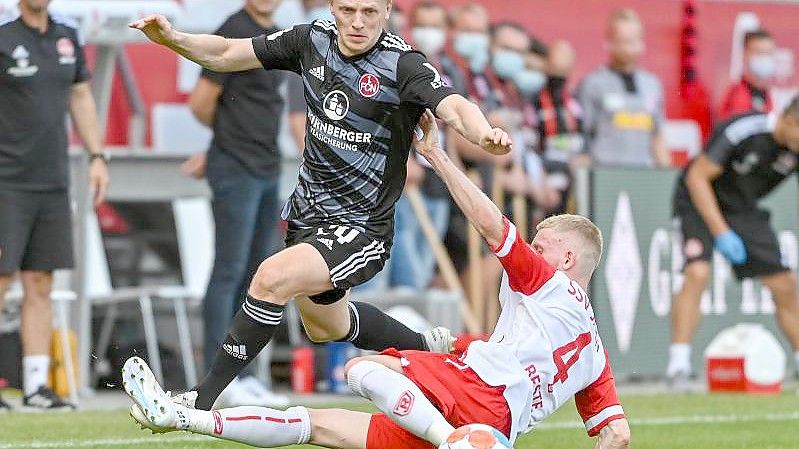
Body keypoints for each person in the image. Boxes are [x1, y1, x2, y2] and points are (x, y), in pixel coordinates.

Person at [122, 109, 630, 449]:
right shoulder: (595, 354)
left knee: (362, 372)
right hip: (495, 418)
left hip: (479, 395)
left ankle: (455, 440)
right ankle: (181, 418)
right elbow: (617, 433)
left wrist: (436, 156)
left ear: (567, 260)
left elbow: (493, 226)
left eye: (543, 246)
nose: (533, 251)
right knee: (318, 426)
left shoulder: (549, 283)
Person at [129, 0, 512, 411]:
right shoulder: (311, 40)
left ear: (387, 11)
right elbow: (226, 53)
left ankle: (197, 400)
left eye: (369, 11)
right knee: (327, 326)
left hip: (362, 227)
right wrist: (172, 39)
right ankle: (431, 347)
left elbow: (454, 105)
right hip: (308, 217)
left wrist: (483, 132)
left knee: (271, 277)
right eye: (348, 10)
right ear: (333, 8)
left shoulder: (402, 64)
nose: (358, 22)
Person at [0, 0, 109, 410]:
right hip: (6, 181)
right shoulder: (4, 36)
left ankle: (35, 385)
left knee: (41, 283)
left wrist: (98, 156)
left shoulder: (67, 36)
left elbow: (80, 96)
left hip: (52, 181)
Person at [180, 0, 289, 408]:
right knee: (227, 269)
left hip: (268, 166)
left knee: (259, 274)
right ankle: (213, 378)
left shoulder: (276, 32)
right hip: (236, 166)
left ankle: (243, 374)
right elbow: (200, 102)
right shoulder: (232, 28)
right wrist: (227, 139)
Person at [667, 95, 799, 390]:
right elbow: (698, 178)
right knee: (697, 273)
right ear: (789, 121)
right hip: (697, 200)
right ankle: (679, 365)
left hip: (742, 208)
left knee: (785, 282)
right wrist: (721, 232)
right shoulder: (744, 130)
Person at [389, 0, 466, 291]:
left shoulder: (451, 71)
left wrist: (454, 169)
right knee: (406, 272)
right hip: (408, 183)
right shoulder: (402, 62)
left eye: (435, 26)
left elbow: (453, 127)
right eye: (422, 24)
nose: (428, 32)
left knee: (425, 269)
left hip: (437, 181)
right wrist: (402, 159)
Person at [578, 8, 669, 168]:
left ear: (641, 42)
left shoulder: (652, 85)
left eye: (632, 41)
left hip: (643, 174)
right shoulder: (593, 84)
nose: (627, 48)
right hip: (605, 174)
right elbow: (582, 137)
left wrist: (667, 179)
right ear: (610, 42)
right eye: (622, 41)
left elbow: (657, 137)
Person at [531, 40, 585, 215]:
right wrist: (540, 177)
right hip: (545, 178)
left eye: (564, 69)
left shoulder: (575, 101)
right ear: (547, 64)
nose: (558, 75)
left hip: (574, 178)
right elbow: (530, 146)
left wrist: (584, 158)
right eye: (555, 67)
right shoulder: (534, 100)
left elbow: (585, 140)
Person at [718, 29, 776, 121]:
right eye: (759, 52)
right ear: (745, 54)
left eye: (769, 52)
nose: (764, 58)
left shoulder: (767, 95)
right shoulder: (737, 95)